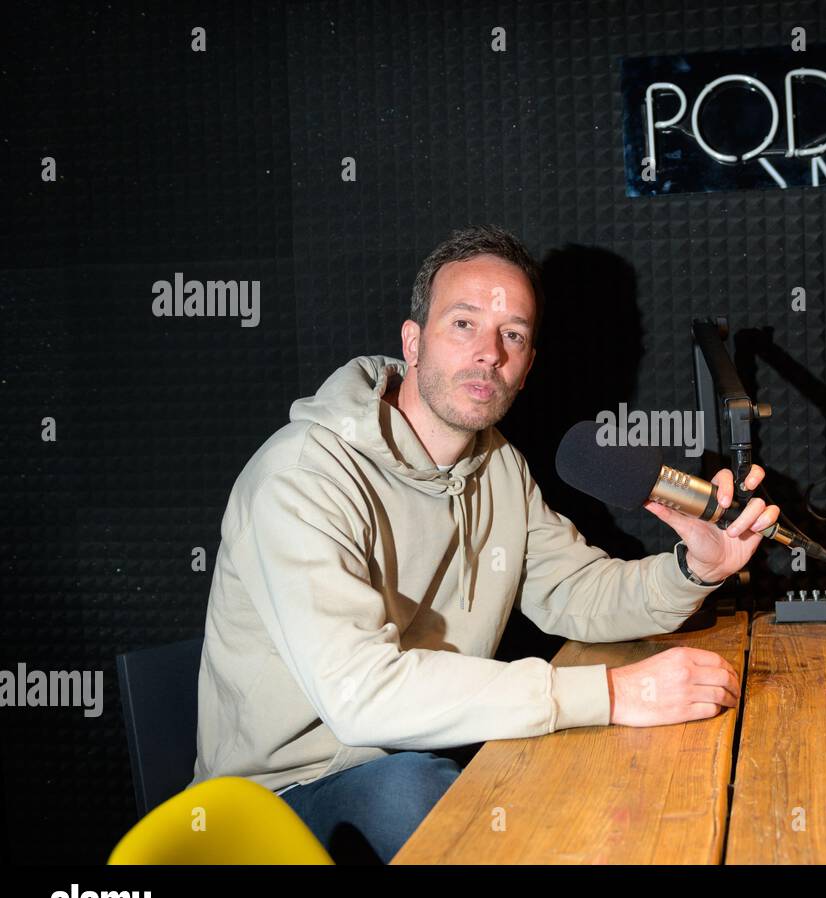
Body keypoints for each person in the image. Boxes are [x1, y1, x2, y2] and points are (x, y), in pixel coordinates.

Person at [190, 225, 780, 863]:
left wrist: (695, 568)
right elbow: (362, 695)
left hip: (429, 754)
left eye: (514, 336)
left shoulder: (497, 466)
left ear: (527, 369)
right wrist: (612, 694)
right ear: (413, 343)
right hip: (275, 800)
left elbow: (573, 590)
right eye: (464, 324)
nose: (489, 353)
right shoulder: (304, 475)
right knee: (422, 797)